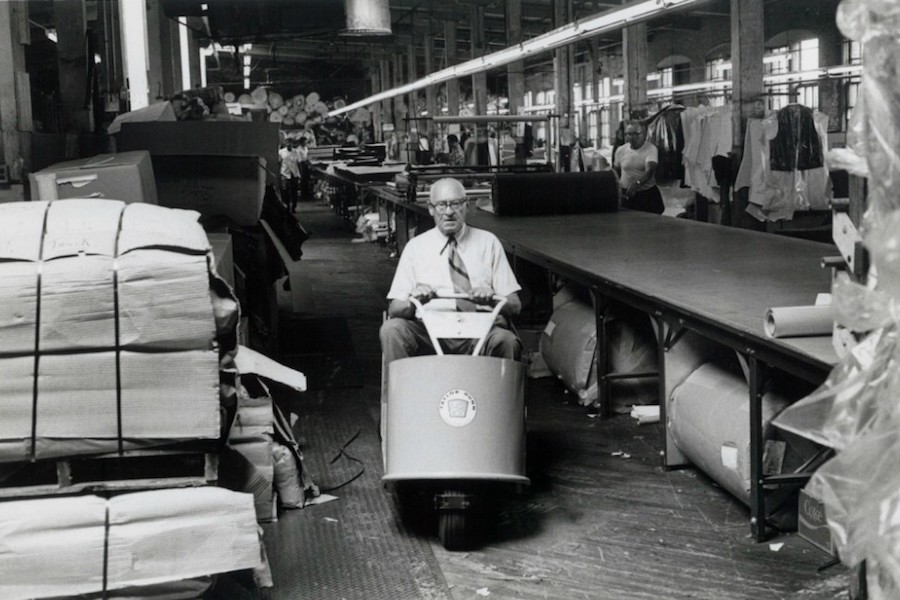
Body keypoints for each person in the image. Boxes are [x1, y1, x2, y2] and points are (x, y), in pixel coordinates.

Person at [380, 177, 523, 364]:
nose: (448, 212)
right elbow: (395, 308)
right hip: (430, 332)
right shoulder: (416, 247)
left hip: (479, 330)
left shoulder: (489, 243)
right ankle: (400, 392)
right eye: (441, 205)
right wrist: (413, 301)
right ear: (430, 208)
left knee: (506, 340)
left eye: (455, 204)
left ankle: (500, 394)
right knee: (392, 330)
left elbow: (515, 305)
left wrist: (494, 296)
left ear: (466, 206)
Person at [613, 120, 664, 214]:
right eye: (628, 134)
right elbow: (616, 171)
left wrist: (636, 184)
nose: (631, 137)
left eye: (635, 134)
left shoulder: (651, 149)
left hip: (646, 195)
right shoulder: (621, 150)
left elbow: (649, 171)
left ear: (644, 134)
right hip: (626, 193)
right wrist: (617, 188)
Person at [279, 139, 300, 212]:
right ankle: (287, 206)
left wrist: (300, 174)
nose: (288, 144)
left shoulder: (296, 152)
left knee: (294, 191)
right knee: (285, 191)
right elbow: (279, 162)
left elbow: (299, 163)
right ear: (285, 143)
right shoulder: (281, 152)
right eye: (287, 143)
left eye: (290, 143)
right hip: (284, 173)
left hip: (294, 173)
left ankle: (294, 207)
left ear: (292, 144)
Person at [295, 136, 310, 202]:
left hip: (306, 164)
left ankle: (307, 194)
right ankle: (303, 195)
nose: (306, 143)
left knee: (306, 179)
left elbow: (307, 156)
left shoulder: (306, 148)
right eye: (305, 142)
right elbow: (299, 160)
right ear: (302, 142)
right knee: (303, 180)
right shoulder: (298, 149)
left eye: (306, 142)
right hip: (301, 164)